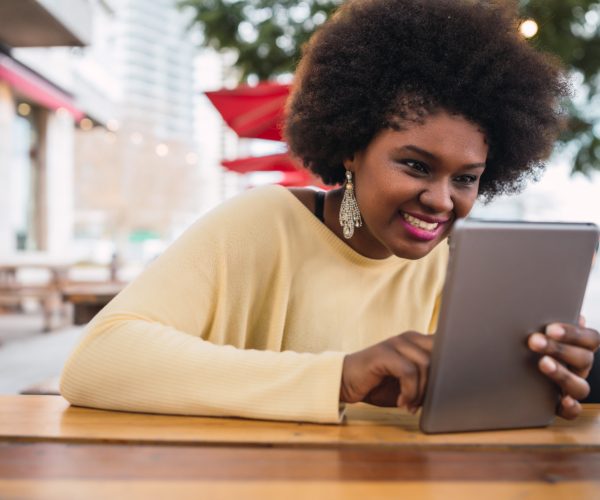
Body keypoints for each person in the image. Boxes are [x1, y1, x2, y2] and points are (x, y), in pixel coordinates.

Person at [61, 0, 599, 423]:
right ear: (350, 146)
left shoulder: (456, 267)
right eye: (414, 165)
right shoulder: (263, 224)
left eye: (465, 179)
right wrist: (339, 377)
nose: (441, 200)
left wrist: (545, 381)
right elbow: (96, 363)